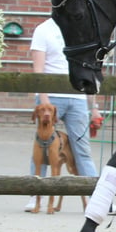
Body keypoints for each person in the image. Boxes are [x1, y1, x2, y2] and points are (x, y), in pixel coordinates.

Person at [24, 17, 102, 212]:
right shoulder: (43, 30)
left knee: (82, 149)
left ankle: (97, 198)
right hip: (51, 98)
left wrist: (93, 107)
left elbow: (89, 70)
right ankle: (36, 196)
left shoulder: (82, 28)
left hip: (77, 98)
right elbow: (38, 68)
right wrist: (44, 100)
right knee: (42, 148)